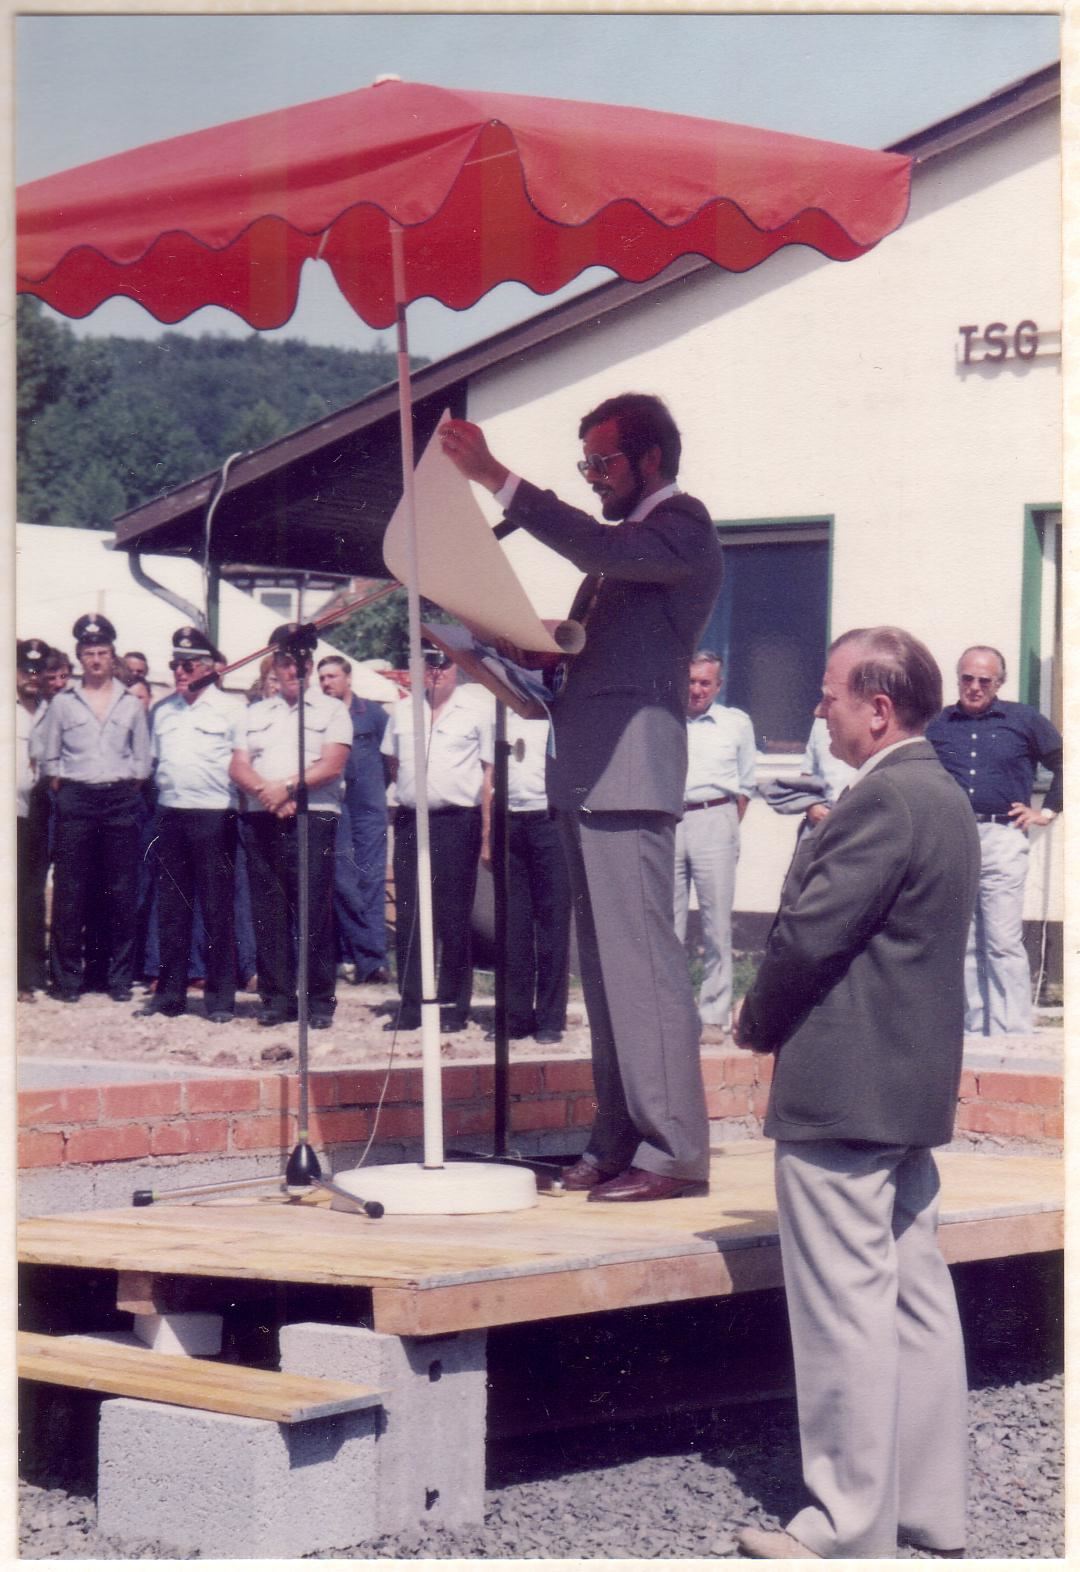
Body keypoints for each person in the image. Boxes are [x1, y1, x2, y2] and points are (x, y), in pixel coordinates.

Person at [733, 627, 980, 1561]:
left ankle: (844, 1526)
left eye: (830, 693)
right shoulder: (946, 795)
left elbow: (807, 936)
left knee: (844, 1311)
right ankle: (927, 1512)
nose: (817, 706)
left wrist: (756, 1024)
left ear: (879, 710)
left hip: (845, 1084)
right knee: (914, 1298)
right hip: (909, 1087)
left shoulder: (880, 800)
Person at [441, 392, 723, 1202]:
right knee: (605, 978)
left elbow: (594, 543)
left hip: (630, 773)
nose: (595, 477)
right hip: (592, 771)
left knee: (644, 973)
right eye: (587, 465)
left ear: (652, 462)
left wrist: (495, 476)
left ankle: (673, 1154)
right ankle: (619, 1137)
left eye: (605, 463)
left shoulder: (681, 523)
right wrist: (521, 648)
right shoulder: (631, 545)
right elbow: (602, 649)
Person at [926, 645, 1062, 1036]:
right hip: (954, 837)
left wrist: (1046, 812)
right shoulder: (939, 725)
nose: (974, 687)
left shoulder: (1024, 719)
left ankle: (1011, 1032)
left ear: (999, 682)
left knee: (1002, 940)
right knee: (964, 938)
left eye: (984, 680)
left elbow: (1065, 762)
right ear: (959, 679)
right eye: (967, 678)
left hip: (1003, 836)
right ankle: (972, 1030)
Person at [230, 628, 351, 1029]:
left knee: (314, 909)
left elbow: (332, 763)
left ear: (310, 665)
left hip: (312, 815)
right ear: (275, 666)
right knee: (269, 911)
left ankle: (318, 1001)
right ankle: (277, 999)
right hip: (262, 814)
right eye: (285, 662)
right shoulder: (253, 713)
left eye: (302, 662)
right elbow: (238, 765)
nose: (294, 669)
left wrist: (285, 787)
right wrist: (268, 792)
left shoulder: (331, 711)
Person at [135, 626, 245, 1024]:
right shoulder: (162, 711)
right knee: (172, 909)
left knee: (217, 909)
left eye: (188, 664)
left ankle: (219, 999)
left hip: (215, 814)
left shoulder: (232, 709)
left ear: (208, 667)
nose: (180, 671)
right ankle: (169, 995)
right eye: (175, 664)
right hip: (172, 812)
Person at [39, 613, 152, 1002]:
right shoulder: (63, 703)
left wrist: (121, 785)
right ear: (80, 657)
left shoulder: (130, 702)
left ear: (112, 655)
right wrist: (71, 787)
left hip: (120, 800)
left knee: (120, 891)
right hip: (77, 798)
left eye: (103, 652)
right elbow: (50, 759)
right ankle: (68, 980)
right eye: (90, 653)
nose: (97, 660)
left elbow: (142, 760)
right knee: (71, 892)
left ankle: (115, 978)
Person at [381, 649, 494, 1032]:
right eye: (428, 663)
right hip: (413, 820)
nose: (436, 671)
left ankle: (452, 1005)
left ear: (456, 666)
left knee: (452, 917)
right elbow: (394, 764)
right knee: (410, 915)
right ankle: (412, 1004)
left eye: (443, 664)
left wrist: (484, 832)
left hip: (456, 820)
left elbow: (487, 772)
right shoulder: (402, 711)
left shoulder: (476, 711)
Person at [674, 650, 756, 1044]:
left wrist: (724, 826)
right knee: (666, 924)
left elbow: (746, 785)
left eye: (705, 682)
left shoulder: (736, 724)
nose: (696, 689)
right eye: (691, 681)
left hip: (716, 818)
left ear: (718, 686)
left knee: (715, 926)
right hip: (669, 821)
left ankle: (712, 1013)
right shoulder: (667, 720)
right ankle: (672, 1011)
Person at [317, 655, 391, 985]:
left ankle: (373, 963)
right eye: (321, 678)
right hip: (337, 807)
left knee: (371, 883)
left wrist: (378, 794)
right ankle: (354, 955)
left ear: (348, 679)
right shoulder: (319, 715)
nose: (326, 683)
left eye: (332, 676)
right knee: (344, 883)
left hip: (369, 809)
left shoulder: (373, 714)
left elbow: (392, 760)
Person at [504, 713, 572, 1044]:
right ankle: (516, 1016)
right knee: (514, 925)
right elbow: (490, 774)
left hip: (550, 821)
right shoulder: (502, 716)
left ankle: (550, 1018)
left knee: (552, 923)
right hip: (510, 820)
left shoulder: (558, 717)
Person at [16, 638, 52, 1002]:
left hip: (37, 812)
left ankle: (27, 975)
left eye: (37, 670)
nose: (31, 675)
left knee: (29, 895)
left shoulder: (49, 710)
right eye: (25, 668)